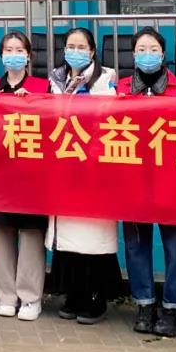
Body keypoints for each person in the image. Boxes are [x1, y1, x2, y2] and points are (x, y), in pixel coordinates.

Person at [116, 27, 176, 338]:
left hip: (171, 179)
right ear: (133, 55)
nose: (147, 55)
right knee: (136, 244)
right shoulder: (120, 87)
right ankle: (144, 304)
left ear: (163, 53)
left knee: (175, 245)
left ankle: (173, 308)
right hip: (133, 177)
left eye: (153, 49)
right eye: (141, 50)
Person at [47, 28, 123, 325]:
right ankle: (73, 293)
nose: (75, 51)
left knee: (94, 235)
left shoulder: (105, 78)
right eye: (70, 46)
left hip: (95, 166)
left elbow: (110, 117)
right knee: (69, 236)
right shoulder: (56, 79)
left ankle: (97, 296)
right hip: (64, 163)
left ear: (92, 51)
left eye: (81, 47)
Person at [0, 31, 49, 321]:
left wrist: (33, 103)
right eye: (8, 50)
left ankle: (31, 297)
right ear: (1, 56)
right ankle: (6, 296)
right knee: (3, 233)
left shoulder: (42, 86)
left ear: (29, 55)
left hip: (32, 175)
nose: (14, 55)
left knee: (31, 234)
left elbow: (52, 124)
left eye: (19, 50)